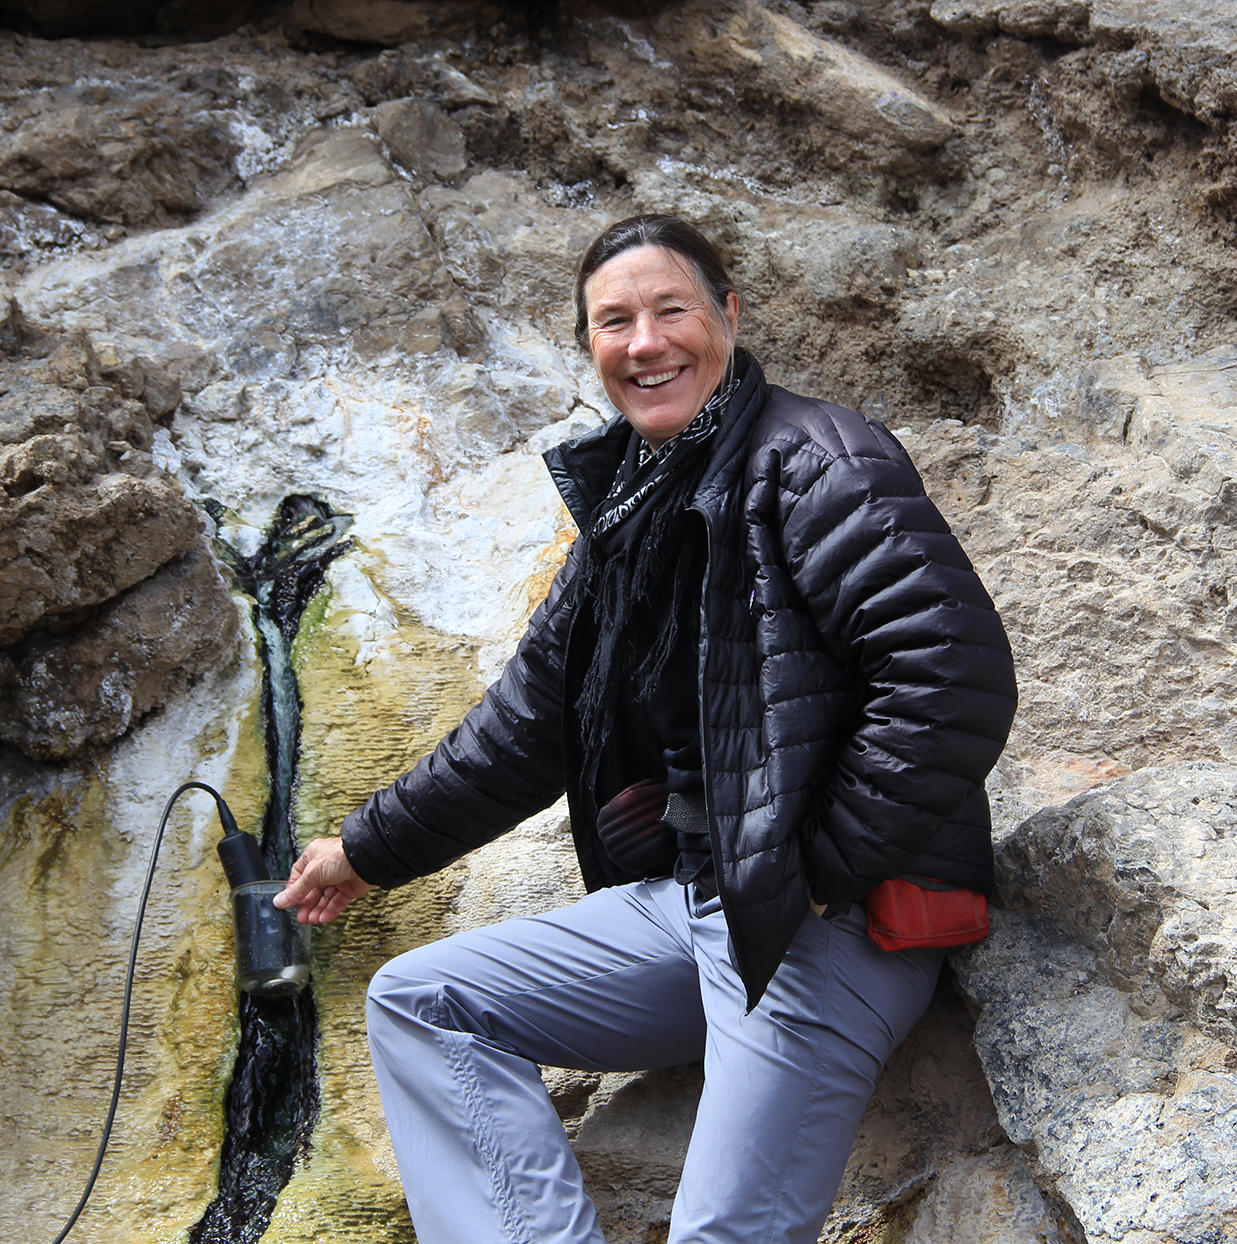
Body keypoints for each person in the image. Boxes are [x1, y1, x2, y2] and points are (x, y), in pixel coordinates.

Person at [275, 214, 1017, 1244]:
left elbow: (952, 677)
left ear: (729, 316)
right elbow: (527, 722)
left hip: (824, 921)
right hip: (701, 903)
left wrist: (814, 866)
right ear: (589, 347)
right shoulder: (630, 503)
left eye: (670, 309)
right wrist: (364, 847)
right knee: (424, 999)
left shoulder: (818, 459)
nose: (644, 341)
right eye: (613, 321)